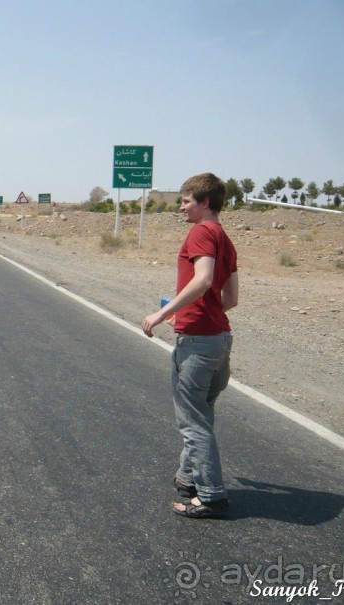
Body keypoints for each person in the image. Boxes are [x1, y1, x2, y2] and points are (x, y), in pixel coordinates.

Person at [142, 173, 239, 519]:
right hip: (219, 341)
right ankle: (187, 478)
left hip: (197, 344)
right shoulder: (225, 238)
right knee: (201, 412)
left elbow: (203, 280)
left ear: (205, 203)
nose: (181, 207)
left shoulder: (200, 232)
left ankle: (211, 495)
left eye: (186, 201)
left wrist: (161, 312)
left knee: (192, 421)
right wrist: (193, 310)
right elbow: (231, 298)